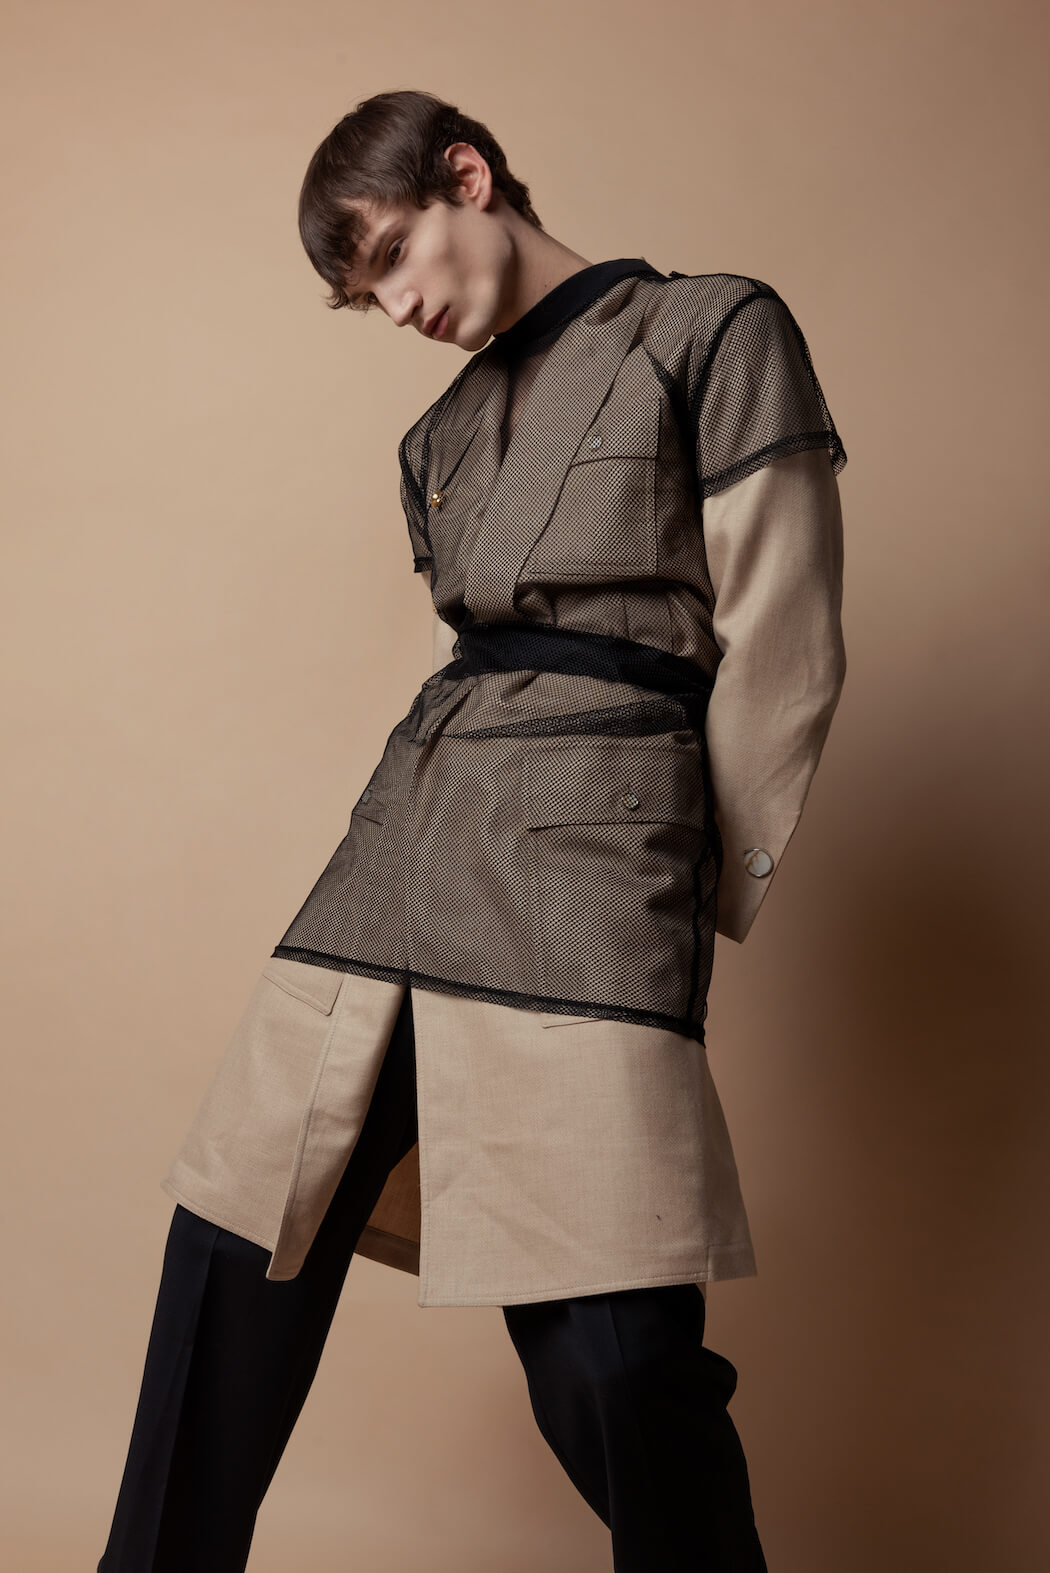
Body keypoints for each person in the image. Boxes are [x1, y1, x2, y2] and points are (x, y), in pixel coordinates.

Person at [97, 88, 847, 1572]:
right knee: (238, 1224)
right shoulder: (435, 439)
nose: (396, 307)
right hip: (405, 841)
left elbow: (783, 635)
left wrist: (689, 880)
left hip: (597, 852)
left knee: (612, 1352)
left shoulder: (709, 329)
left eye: (393, 255)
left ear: (469, 174)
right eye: (364, 293)